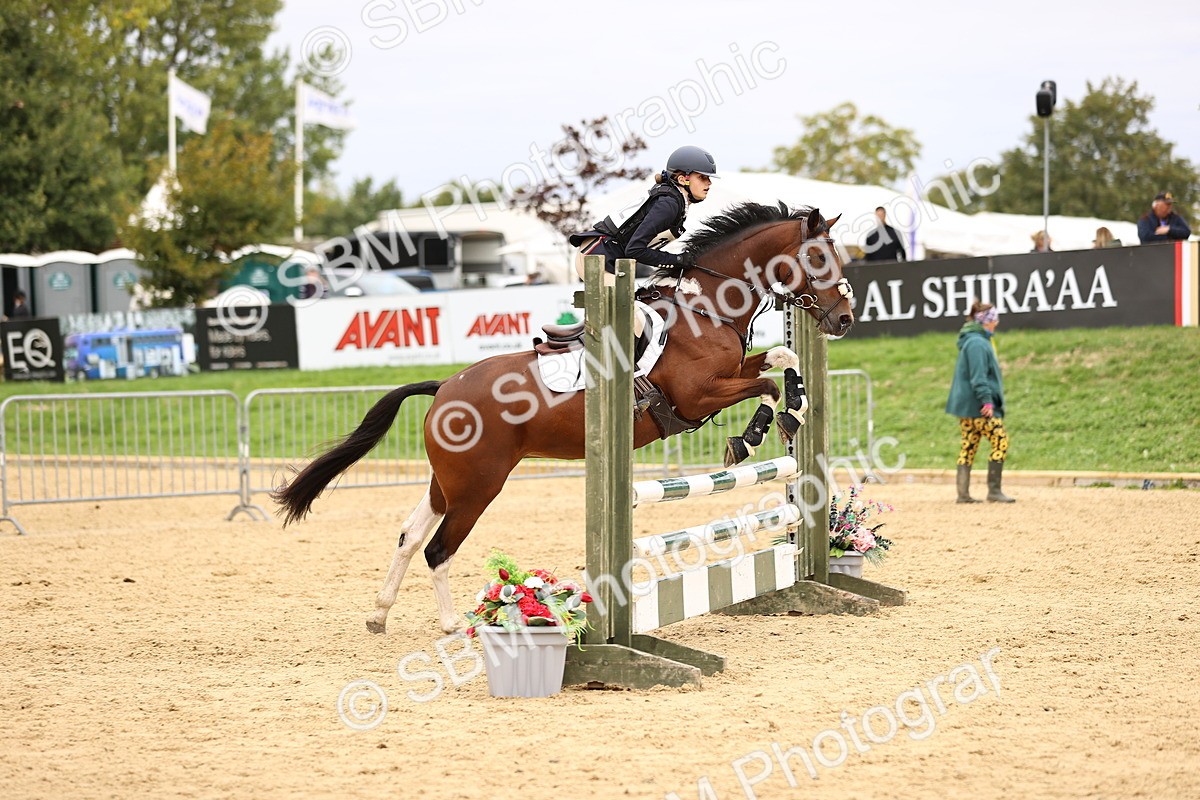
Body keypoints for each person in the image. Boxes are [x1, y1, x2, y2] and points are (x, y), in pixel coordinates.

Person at [568, 145, 716, 340]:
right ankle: (632, 370)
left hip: (609, 258)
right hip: (596, 257)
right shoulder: (669, 204)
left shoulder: (675, 200)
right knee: (637, 321)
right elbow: (635, 249)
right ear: (683, 179)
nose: (709, 183)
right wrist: (677, 259)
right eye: (702, 177)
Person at [945, 301, 1015, 504]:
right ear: (986, 321)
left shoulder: (973, 340)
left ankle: (963, 494)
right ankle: (994, 491)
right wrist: (987, 401)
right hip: (979, 408)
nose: (997, 322)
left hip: (967, 409)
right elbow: (978, 377)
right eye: (994, 319)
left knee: (969, 446)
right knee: (1000, 441)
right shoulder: (977, 343)